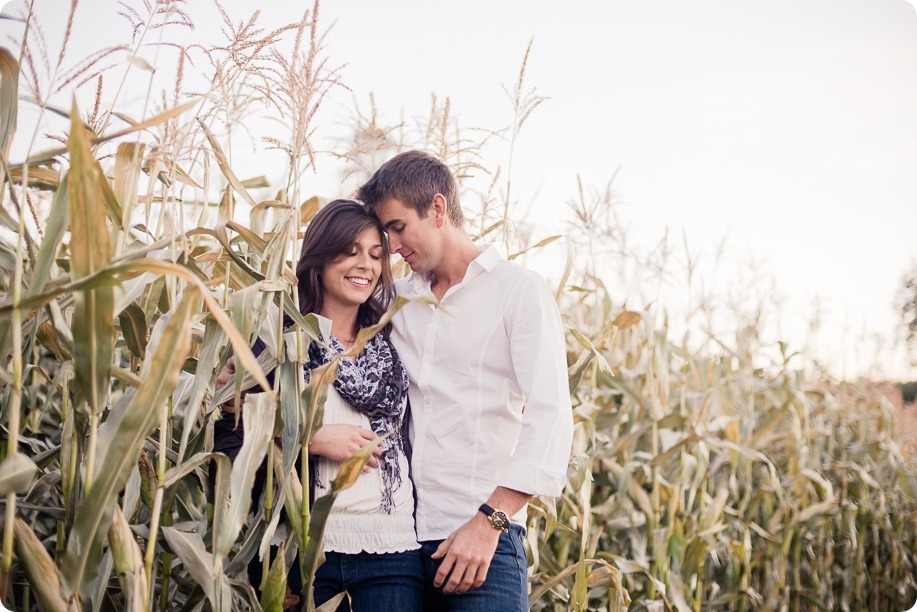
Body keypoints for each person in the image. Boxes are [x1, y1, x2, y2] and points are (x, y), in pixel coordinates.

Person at [356, 151, 574, 610]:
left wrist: (489, 521)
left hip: (485, 545)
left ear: (437, 209)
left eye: (398, 228)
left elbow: (551, 416)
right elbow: (333, 342)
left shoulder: (518, 289)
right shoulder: (399, 302)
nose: (392, 246)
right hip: (404, 548)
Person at [214, 199, 422, 611]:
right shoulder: (279, 343)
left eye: (376, 255)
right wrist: (305, 438)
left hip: (392, 550)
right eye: (350, 251)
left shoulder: (399, 336)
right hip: (301, 551)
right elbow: (226, 442)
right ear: (320, 258)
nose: (365, 265)